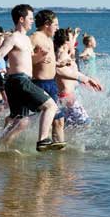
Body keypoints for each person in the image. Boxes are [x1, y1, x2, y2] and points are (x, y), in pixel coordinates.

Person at [0, 4, 60, 152]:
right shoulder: (14, 37)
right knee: (51, 106)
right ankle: (43, 140)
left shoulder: (26, 39)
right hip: (19, 80)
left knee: (22, 122)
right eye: (30, 18)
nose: (32, 21)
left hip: (20, 81)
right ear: (21, 19)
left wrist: (41, 56)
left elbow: (28, 59)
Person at [30, 10, 67, 147]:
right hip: (40, 84)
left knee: (59, 120)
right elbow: (24, 59)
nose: (57, 28)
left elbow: (47, 60)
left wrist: (56, 63)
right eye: (55, 24)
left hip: (51, 83)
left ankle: (58, 153)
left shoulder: (49, 40)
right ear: (47, 24)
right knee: (56, 119)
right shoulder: (35, 37)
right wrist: (38, 57)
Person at [53, 29, 103, 127]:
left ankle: (66, 140)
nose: (75, 42)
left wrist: (85, 79)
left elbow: (71, 72)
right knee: (86, 123)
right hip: (67, 98)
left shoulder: (63, 54)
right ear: (66, 42)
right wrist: (84, 79)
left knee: (67, 125)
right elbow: (59, 71)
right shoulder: (61, 55)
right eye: (72, 39)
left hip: (66, 97)